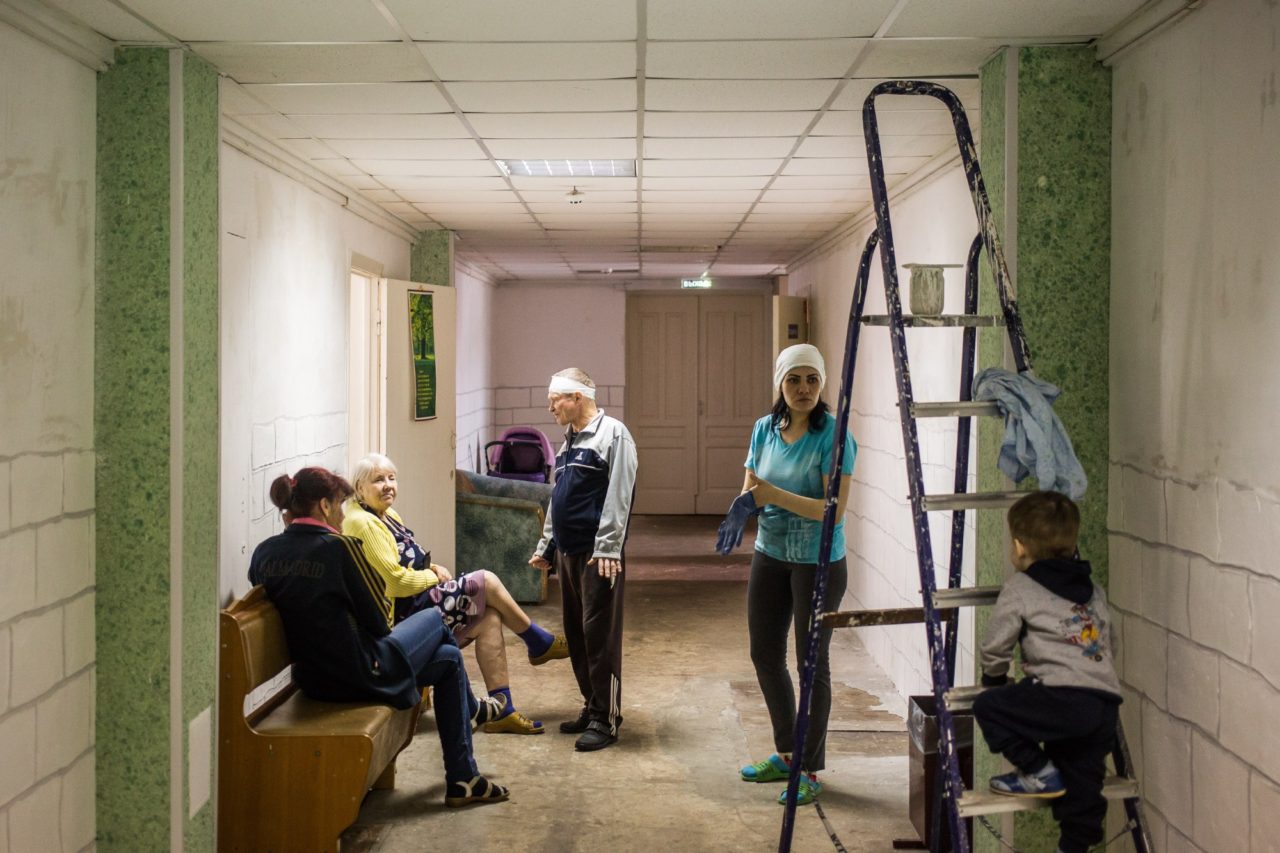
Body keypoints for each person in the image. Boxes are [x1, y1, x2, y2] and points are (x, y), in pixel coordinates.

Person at [248, 467, 508, 807]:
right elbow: (379, 620)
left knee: (449, 659)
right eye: (339, 504)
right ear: (324, 506)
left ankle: (464, 778)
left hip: (312, 679)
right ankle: (469, 731)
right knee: (434, 620)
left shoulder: (264, 553)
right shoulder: (339, 548)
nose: (343, 514)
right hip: (362, 673)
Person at [341, 453, 569, 736]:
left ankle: (504, 710)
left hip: (417, 603)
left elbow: (406, 559)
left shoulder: (385, 515)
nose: (388, 485)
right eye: (378, 480)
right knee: (486, 581)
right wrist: (432, 577)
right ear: (359, 487)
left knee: (490, 617)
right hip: (402, 620)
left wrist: (432, 567)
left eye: (392, 478)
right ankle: (537, 641)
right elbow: (394, 583)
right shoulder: (363, 523)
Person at [719, 343, 856, 807]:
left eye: (812, 380)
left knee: (811, 664)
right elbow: (750, 487)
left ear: (822, 384)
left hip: (819, 562)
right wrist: (740, 509)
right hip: (770, 553)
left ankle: (809, 768)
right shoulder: (764, 429)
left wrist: (771, 495)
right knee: (764, 653)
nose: (803, 389)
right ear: (780, 383)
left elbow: (832, 511)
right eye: (794, 380)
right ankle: (787, 753)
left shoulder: (834, 436)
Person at [972, 491, 1122, 853]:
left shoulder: (1021, 587)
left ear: (1019, 547)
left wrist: (994, 680)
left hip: (1058, 696)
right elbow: (1111, 641)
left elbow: (996, 644)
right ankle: (1074, 847)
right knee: (1083, 784)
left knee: (989, 708)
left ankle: (1038, 770)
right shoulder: (1094, 590)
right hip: (1103, 703)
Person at [529, 368, 638, 752]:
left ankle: (606, 719)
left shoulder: (614, 435)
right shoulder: (569, 443)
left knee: (599, 636)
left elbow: (620, 495)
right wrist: (547, 546)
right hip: (569, 552)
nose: (550, 408)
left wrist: (608, 547)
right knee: (576, 633)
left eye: (554, 400)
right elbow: (557, 499)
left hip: (597, 555)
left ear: (576, 397)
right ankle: (592, 706)